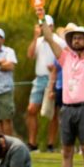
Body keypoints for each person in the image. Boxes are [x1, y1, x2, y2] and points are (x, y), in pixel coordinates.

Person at [40, 20, 84, 167]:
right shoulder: (66, 57)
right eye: (74, 38)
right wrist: (41, 18)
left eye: (81, 38)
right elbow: (48, 37)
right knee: (66, 152)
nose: (77, 41)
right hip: (67, 109)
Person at [25, 15, 63, 152]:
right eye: (41, 25)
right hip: (39, 78)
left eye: (46, 25)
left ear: (51, 27)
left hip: (54, 79)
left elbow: (65, 59)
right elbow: (30, 55)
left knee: (52, 113)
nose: (43, 28)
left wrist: (56, 68)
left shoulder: (59, 41)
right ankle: (32, 143)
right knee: (31, 109)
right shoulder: (39, 41)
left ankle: (50, 144)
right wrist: (35, 37)